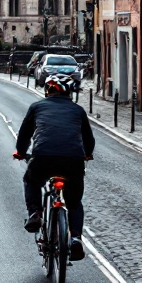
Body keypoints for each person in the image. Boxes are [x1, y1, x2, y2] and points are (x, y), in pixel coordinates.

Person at [13, 75, 95, 261]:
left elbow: (25, 133)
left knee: (31, 180)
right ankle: (75, 239)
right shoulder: (78, 110)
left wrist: (20, 151)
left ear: (47, 91)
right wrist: (87, 154)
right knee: (74, 202)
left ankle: (35, 212)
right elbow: (88, 139)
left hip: (43, 158)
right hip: (73, 161)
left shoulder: (37, 107)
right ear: (68, 93)